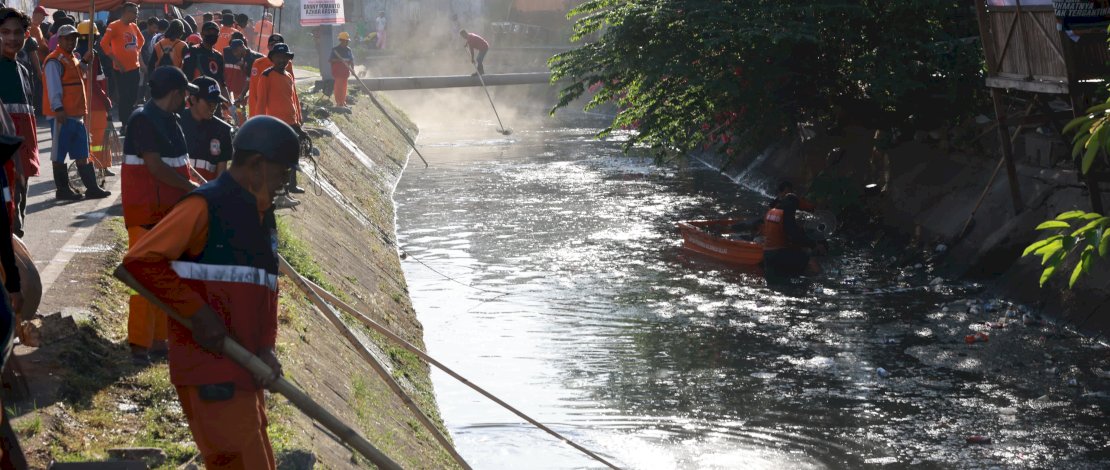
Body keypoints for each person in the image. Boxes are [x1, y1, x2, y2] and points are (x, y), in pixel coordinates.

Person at [122, 115, 297, 470]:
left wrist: (266, 345)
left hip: (246, 370)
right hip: (212, 372)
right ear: (257, 165)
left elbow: (266, 290)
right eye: (281, 173)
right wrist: (197, 313)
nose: (284, 183)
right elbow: (140, 262)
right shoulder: (205, 205)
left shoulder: (261, 216)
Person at [121, 66, 201, 364]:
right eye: (185, 94)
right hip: (146, 213)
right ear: (177, 93)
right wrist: (190, 187)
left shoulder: (171, 121)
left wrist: (202, 186)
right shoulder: (143, 120)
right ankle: (139, 345)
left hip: (168, 213)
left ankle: (159, 340)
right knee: (144, 280)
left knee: (165, 278)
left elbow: (180, 164)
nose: (186, 100)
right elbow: (154, 166)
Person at [42, 24, 112, 201]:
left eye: (73, 38)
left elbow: (78, 74)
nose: (71, 41)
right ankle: (63, 190)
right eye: (67, 38)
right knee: (59, 155)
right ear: (60, 40)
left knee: (82, 153)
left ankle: (92, 188)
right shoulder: (54, 60)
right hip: (62, 115)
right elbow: (53, 87)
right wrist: (58, 109)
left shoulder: (71, 58)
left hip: (77, 114)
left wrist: (85, 62)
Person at [0, 8, 39, 235]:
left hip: (21, 152)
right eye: (5, 32)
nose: (12, 38)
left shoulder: (23, 70)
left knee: (17, 213)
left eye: (17, 32)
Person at [251, 43, 304, 201]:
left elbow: (293, 101)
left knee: (289, 160)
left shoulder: (288, 76)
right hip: (275, 126)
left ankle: (285, 192)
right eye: (279, 57)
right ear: (272, 59)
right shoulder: (266, 76)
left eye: (285, 58)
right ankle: (278, 195)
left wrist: (298, 123)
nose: (282, 60)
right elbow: (261, 103)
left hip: (291, 125)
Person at [77, 20, 116, 177]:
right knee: (101, 138)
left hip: (83, 103)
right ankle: (103, 166)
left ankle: (90, 165)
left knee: (89, 138)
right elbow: (94, 83)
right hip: (96, 103)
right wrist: (106, 101)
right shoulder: (91, 55)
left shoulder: (76, 54)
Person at [101, 2, 145, 134]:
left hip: (134, 68)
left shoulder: (134, 26)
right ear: (127, 12)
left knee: (133, 97)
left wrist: (136, 53)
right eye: (135, 13)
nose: (137, 16)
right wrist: (116, 61)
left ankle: (130, 121)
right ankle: (125, 124)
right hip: (121, 69)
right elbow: (103, 44)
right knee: (124, 97)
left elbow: (141, 40)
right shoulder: (114, 26)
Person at [180, 76, 232, 181]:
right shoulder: (176, 122)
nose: (213, 107)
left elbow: (221, 177)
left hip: (207, 195)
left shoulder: (222, 130)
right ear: (193, 99)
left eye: (216, 103)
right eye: (209, 103)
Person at [247, 34, 291, 117]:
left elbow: (290, 91)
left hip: (283, 113)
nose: (275, 46)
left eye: (278, 44)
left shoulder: (287, 64)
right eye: (272, 44)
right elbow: (254, 90)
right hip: (263, 113)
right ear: (268, 46)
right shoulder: (259, 63)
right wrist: (255, 115)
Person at [182, 21, 227, 100]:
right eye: (209, 32)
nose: (212, 35)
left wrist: (229, 105)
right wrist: (188, 100)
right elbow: (187, 79)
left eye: (215, 33)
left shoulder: (218, 56)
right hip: (198, 99)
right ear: (202, 34)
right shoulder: (193, 51)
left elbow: (222, 84)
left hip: (214, 99)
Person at [224, 39, 261, 121]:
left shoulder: (251, 58)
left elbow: (249, 80)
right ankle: (243, 122)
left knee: (256, 112)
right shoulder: (245, 57)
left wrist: (242, 94)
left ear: (242, 47)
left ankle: (245, 123)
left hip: (263, 87)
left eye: (236, 50)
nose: (234, 54)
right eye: (233, 51)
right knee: (240, 106)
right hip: (257, 87)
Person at [330, 32, 354, 107]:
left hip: (345, 72)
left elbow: (351, 60)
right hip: (338, 71)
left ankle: (342, 101)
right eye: (346, 41)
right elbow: (331, 60)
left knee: (344, 87)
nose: (347, 43)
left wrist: (352, 69)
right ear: (342, 40)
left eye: (348, 41)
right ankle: (338, 102)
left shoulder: (348, 50)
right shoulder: (335, 50)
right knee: (338, 87)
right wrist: (340, 60)